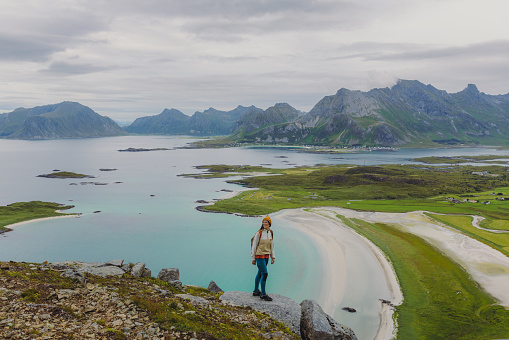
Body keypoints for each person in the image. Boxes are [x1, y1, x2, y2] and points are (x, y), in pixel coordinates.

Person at [251, 215, 275, 301]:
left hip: (266, 256)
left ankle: (256, 291)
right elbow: (254, 246)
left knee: (260, 273)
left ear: (269, 223)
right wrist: (253, 258)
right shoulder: (259, 233)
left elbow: (272, 245)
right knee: (265, 274)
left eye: (266, 222)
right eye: (263, 222)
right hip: (259, 256)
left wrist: (273, 257)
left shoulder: (271, 232)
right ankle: (263, 294)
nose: (264, 223)